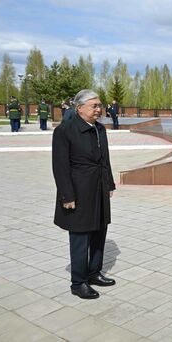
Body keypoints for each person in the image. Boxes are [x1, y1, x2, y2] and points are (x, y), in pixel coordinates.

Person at [52, 89, 116, 299]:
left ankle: (94, 272)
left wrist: (109, 184)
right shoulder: (65, 131)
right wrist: (67, 196)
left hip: (98, 188)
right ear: (79, 108)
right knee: (80, 237)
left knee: (99, 230)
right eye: (94, 106)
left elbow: (104, 160)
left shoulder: (100, 129)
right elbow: (60, 167)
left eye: (100, 105)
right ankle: (78, 282)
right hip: (78, 191)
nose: (99, 109)